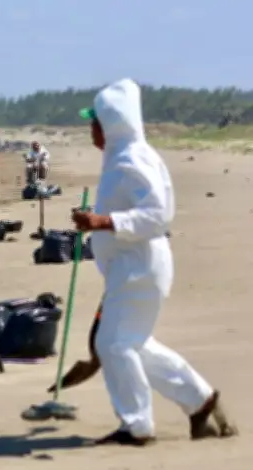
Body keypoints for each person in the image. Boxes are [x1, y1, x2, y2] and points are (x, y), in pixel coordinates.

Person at [71, 78, 237, 446]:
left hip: (139, 267)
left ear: (111, 123)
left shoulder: (132, 158)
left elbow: (158, 214)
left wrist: (104, 222)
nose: (91, 130)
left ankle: (137, 425)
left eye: (94, 122)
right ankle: (200, 402)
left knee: (114, 346)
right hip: (132, 267)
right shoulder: (124, 156)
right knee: (134, 344)